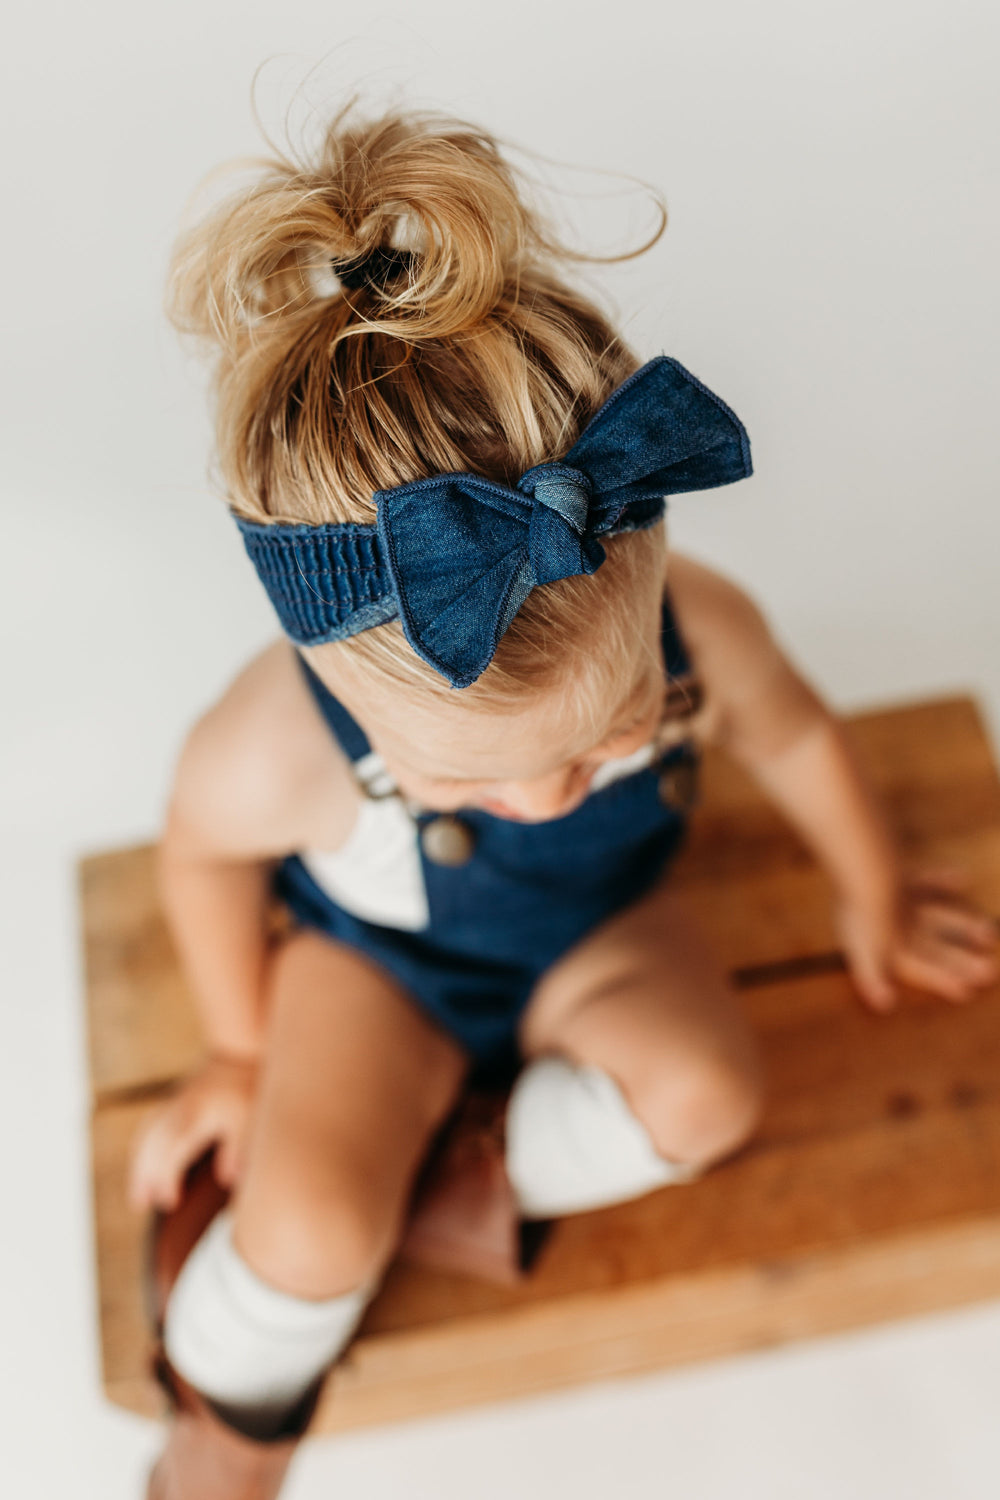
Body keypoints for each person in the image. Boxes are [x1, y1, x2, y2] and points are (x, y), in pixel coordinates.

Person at [127, 103, 999, 1499]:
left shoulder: (699, 625)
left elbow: (793, 734)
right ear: (333, 681)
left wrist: (872, 888)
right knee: (303, 1235)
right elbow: (198, 858)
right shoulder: (271, 743)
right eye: (473, 778)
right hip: (379, 974)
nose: (543, 795)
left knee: (711, 1094)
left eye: (612, 741)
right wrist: (239, 1051)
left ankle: (456, 1165)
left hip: (601, 933)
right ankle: (228, 1424)